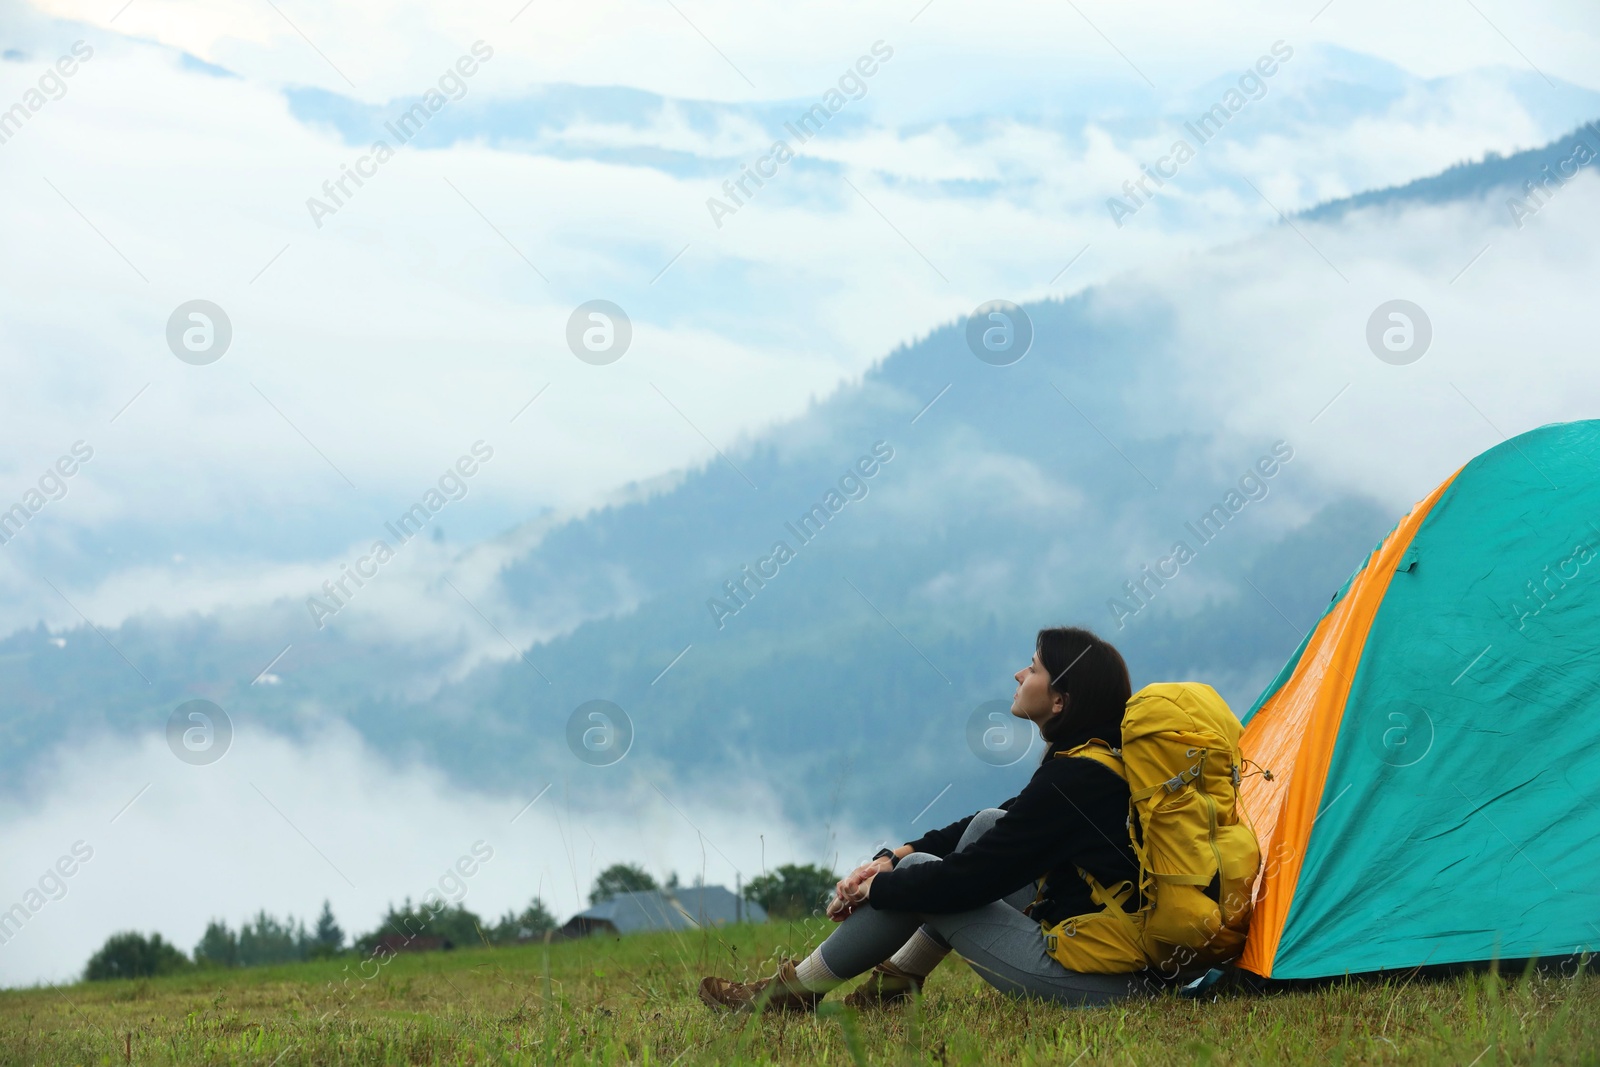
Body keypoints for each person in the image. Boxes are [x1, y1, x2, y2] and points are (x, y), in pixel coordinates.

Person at [698, 625, 1156, 1012]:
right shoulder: (1095, 764)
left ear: (1060, 701)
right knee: (984, 826)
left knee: (927, 877)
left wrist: (878, 888)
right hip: (1123, 965)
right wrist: (891, 857)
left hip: (1108, 986)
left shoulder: (1072, 779)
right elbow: (999, 825)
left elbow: (970, 881)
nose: (1019, 674)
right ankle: (893, 986)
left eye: (1034, 668)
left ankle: (792, 994)